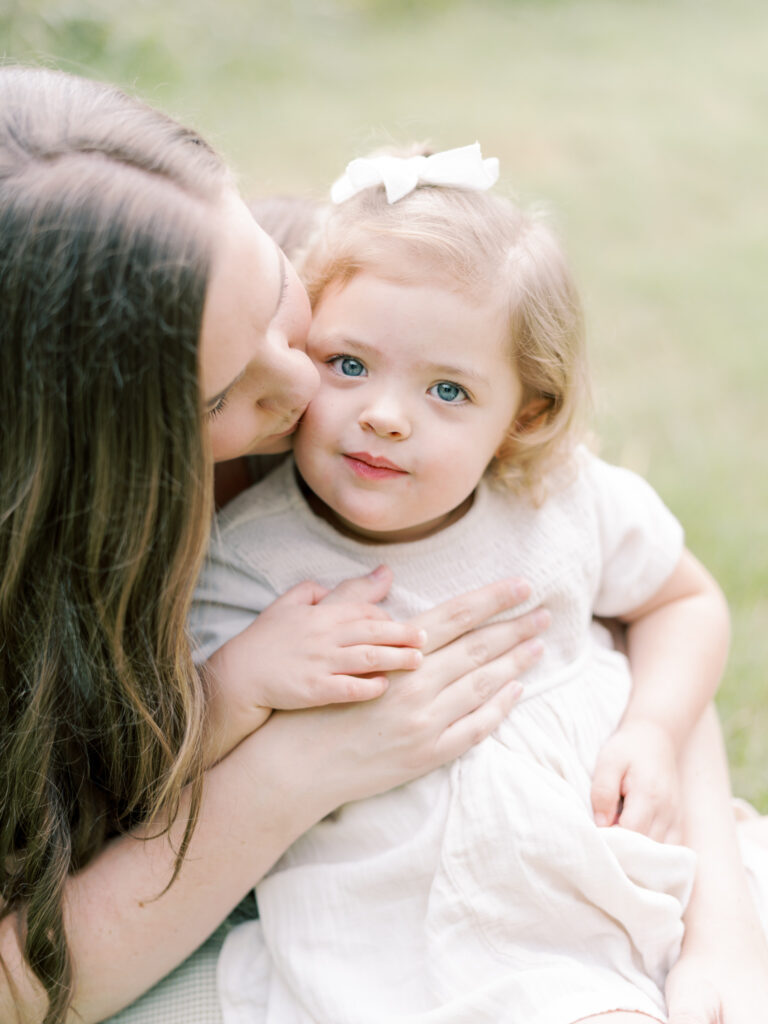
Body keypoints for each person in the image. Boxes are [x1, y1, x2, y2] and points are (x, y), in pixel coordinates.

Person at [0, 70, 553, 1024]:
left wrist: (665, 760)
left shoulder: (323, 307)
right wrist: (299, 768)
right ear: (76, 477)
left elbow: (600, 575)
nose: (302, 384)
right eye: (217, 397)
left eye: (272, 295)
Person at [191, 145, 768, 1023]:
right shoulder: (253, 556)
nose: (385, 414)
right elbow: (169, 760)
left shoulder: (558, 503)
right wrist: (239, 679)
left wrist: (653, 729)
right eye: (349, 365)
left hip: (600, 852)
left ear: (523, 415)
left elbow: (683, 601)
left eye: (449, 389)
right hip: (402, 921)